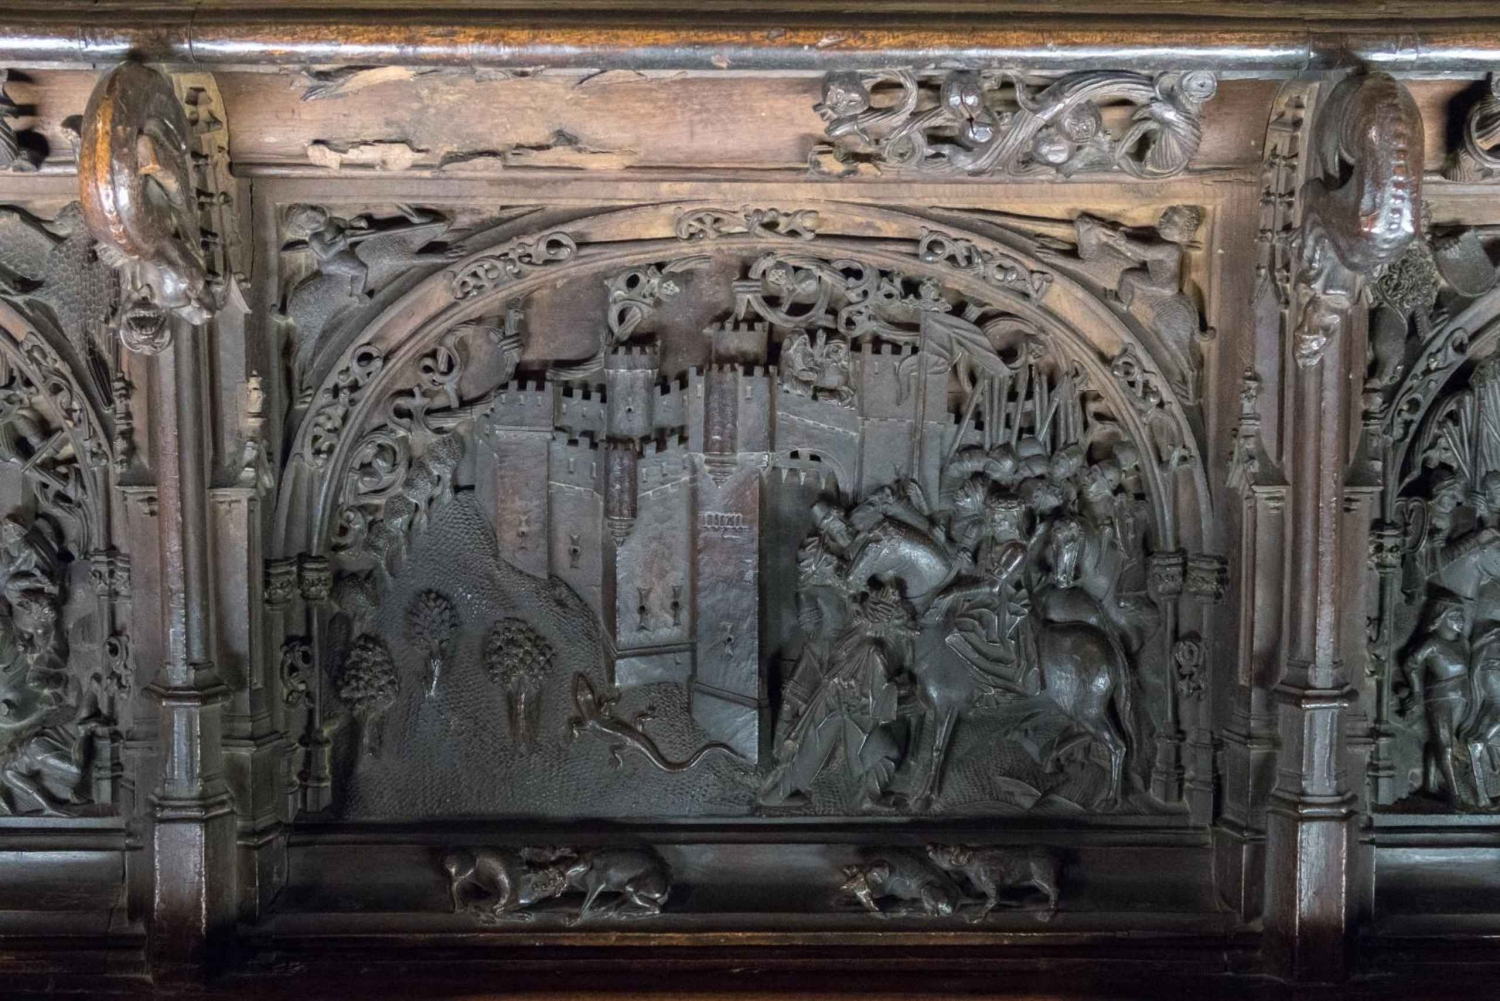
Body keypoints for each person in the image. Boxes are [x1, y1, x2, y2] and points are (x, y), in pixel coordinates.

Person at [1400, 597, 1473, 804]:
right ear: (1440, 618)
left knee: (1441, 741)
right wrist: (1416, 692)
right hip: (1441, 697)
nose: (1460, 620)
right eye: (1454, 616)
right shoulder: (1432, 643)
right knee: (1446, 746)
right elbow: (1410, 664)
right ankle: (1456, 795)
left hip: (1460, 696)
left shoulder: (1463, 642)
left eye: (1461, 615)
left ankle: (1430, 785)